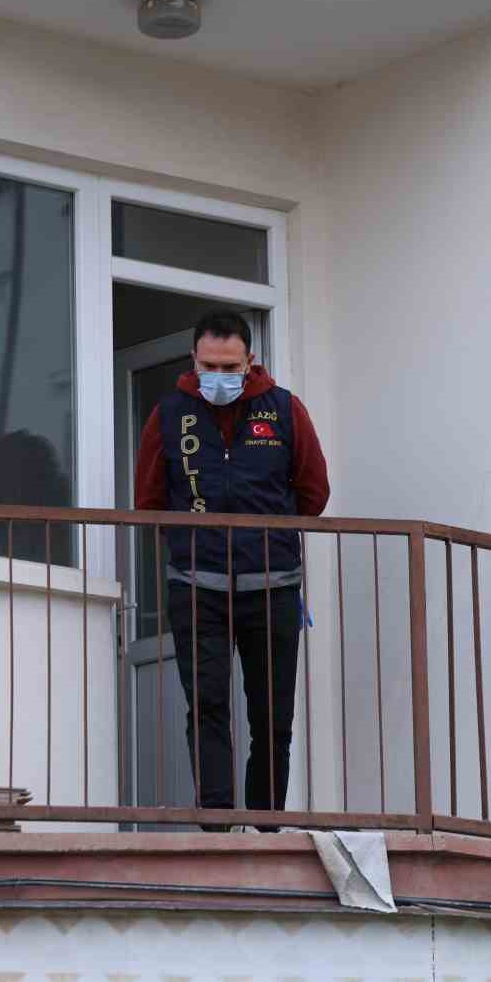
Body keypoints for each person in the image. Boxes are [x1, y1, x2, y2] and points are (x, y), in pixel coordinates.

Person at [134, 311, 330, 828]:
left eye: (229, 366)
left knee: (272, 718)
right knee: (207, 707)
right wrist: (191, 547)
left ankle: (266, 825)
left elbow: (314, 492)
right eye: (208, 366)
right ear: (192, 362)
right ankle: (216, 823)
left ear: (250, 362)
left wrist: (271, 539)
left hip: (274, 586)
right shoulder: (170, 413)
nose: (218, 376)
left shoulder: (285, 410)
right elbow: (149, 499)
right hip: (197, 588)